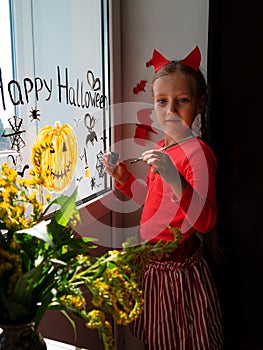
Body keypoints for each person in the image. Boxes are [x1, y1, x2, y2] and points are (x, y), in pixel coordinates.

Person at [103, 46, 224, 350]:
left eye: (182, 101)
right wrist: (124, 179)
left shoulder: (199, 154)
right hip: (154, 269)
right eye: (162, 101)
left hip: (180, 275)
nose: (170, 110)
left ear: (199, 105)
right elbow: (155, 204)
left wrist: (175, 179)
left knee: (184, 341)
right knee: (159, 340)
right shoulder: (162, 148)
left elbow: (207, 220)